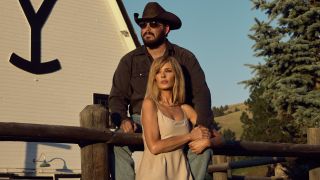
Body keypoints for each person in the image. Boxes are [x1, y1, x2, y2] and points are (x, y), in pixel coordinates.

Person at [109, 2, 217, 179]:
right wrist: (123, 119)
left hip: (178, 118)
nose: (147, 29)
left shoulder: (185, 58)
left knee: (202, 149)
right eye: (143, 25)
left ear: (166, 29)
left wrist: (202, 127)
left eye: (153, 24)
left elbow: (201, 93)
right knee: (118, 142)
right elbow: (117, 97)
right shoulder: (129, 61)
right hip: (141, 120)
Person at [136, 56, 210, 180]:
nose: (163, 75)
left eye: (168, 71)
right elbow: (154, 147)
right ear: (154, 78)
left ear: (176, 75)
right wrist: (190, 136)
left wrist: (208, 142)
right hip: (155, 173)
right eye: (158, 72)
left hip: (181, 173)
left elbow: (214, 134)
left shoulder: (185, 109)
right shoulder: (150, 104)